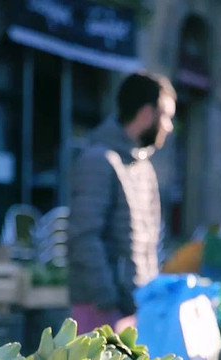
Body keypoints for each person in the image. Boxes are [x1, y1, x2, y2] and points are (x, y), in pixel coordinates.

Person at [67, 72, 176, 334]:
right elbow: (83, 237)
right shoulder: (98, 160)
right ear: (147, 114)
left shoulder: (143, 166)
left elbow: (147, 243)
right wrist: (108, 300)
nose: (169, 127)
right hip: (101, 309)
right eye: (166, 116)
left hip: (132, 308)